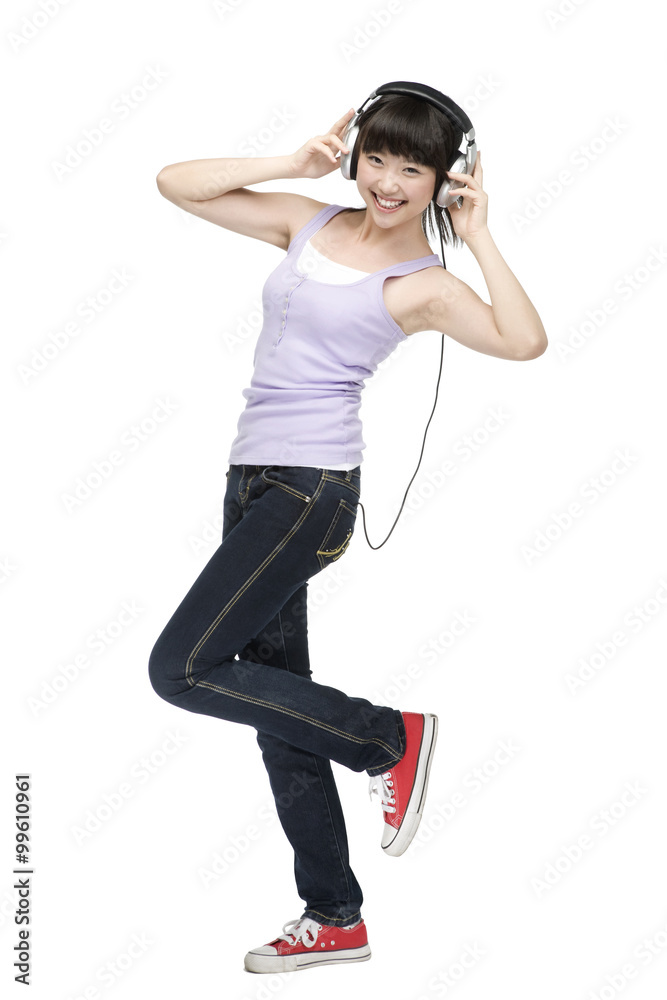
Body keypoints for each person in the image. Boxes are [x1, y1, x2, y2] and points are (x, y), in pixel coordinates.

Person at [148, 90, 548, 975]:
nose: (388, 182)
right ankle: (333, 917)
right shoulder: (306, 219)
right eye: (377, 158)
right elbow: (177, 184)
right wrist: (292, 163)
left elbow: (523, 342)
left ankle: (386, 739)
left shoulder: (425, 286)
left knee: (181, 670)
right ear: (354, 154)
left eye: (414, 168)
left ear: (446, 179)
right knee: (275, 707)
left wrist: (479, 235)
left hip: (312, 493)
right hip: (251, 481)